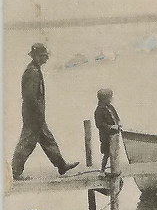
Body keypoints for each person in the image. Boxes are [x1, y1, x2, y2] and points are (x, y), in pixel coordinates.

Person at [11, 44, 79, 180]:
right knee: (27, 142)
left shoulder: (34, 69)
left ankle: (61, 165)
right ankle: (15, 171)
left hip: (35, 114)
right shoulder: (32, 72)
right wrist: (38, 113)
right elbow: (30, 97)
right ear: (36, 56)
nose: (46, 59)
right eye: (44, 56)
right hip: (33, 114)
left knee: (47, 139)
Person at [94, 88, 122, 174]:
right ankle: (102, 170)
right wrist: (111, 127)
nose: (111, 99)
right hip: (105, 135)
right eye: (109, 98)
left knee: (114, 152)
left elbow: (116, 117)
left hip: (114, 134)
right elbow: (99, 124)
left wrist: (118, 124)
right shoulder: (98, 110)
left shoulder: (111, 107)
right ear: (103, 99)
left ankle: (114, 169)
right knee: (107, 153)